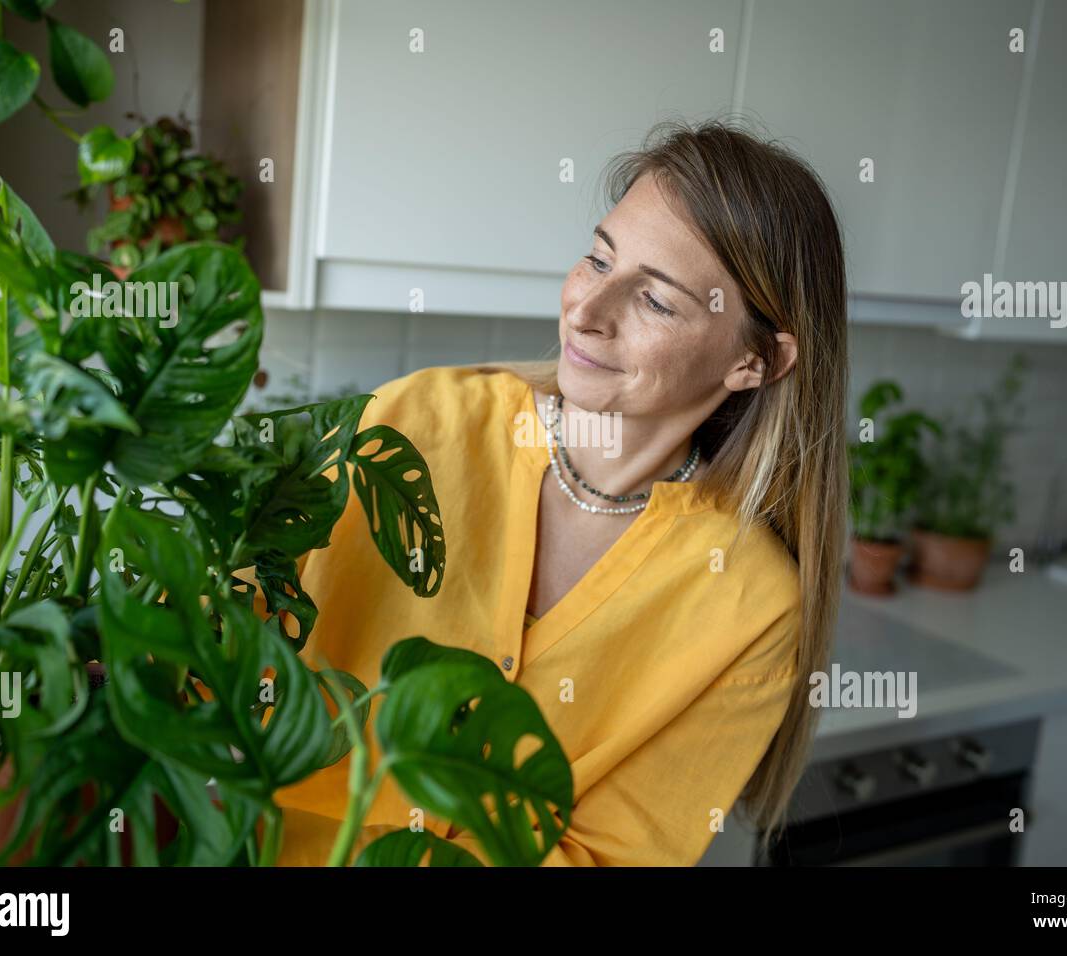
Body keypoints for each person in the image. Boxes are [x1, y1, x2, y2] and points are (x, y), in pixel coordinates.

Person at [262, 118, 849, 866]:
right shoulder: (412, 425)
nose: (587, 312)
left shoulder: (749, 603)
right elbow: (224, 651)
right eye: (598, 260)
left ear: (755, 361)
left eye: (656, 301)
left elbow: (609, 856)